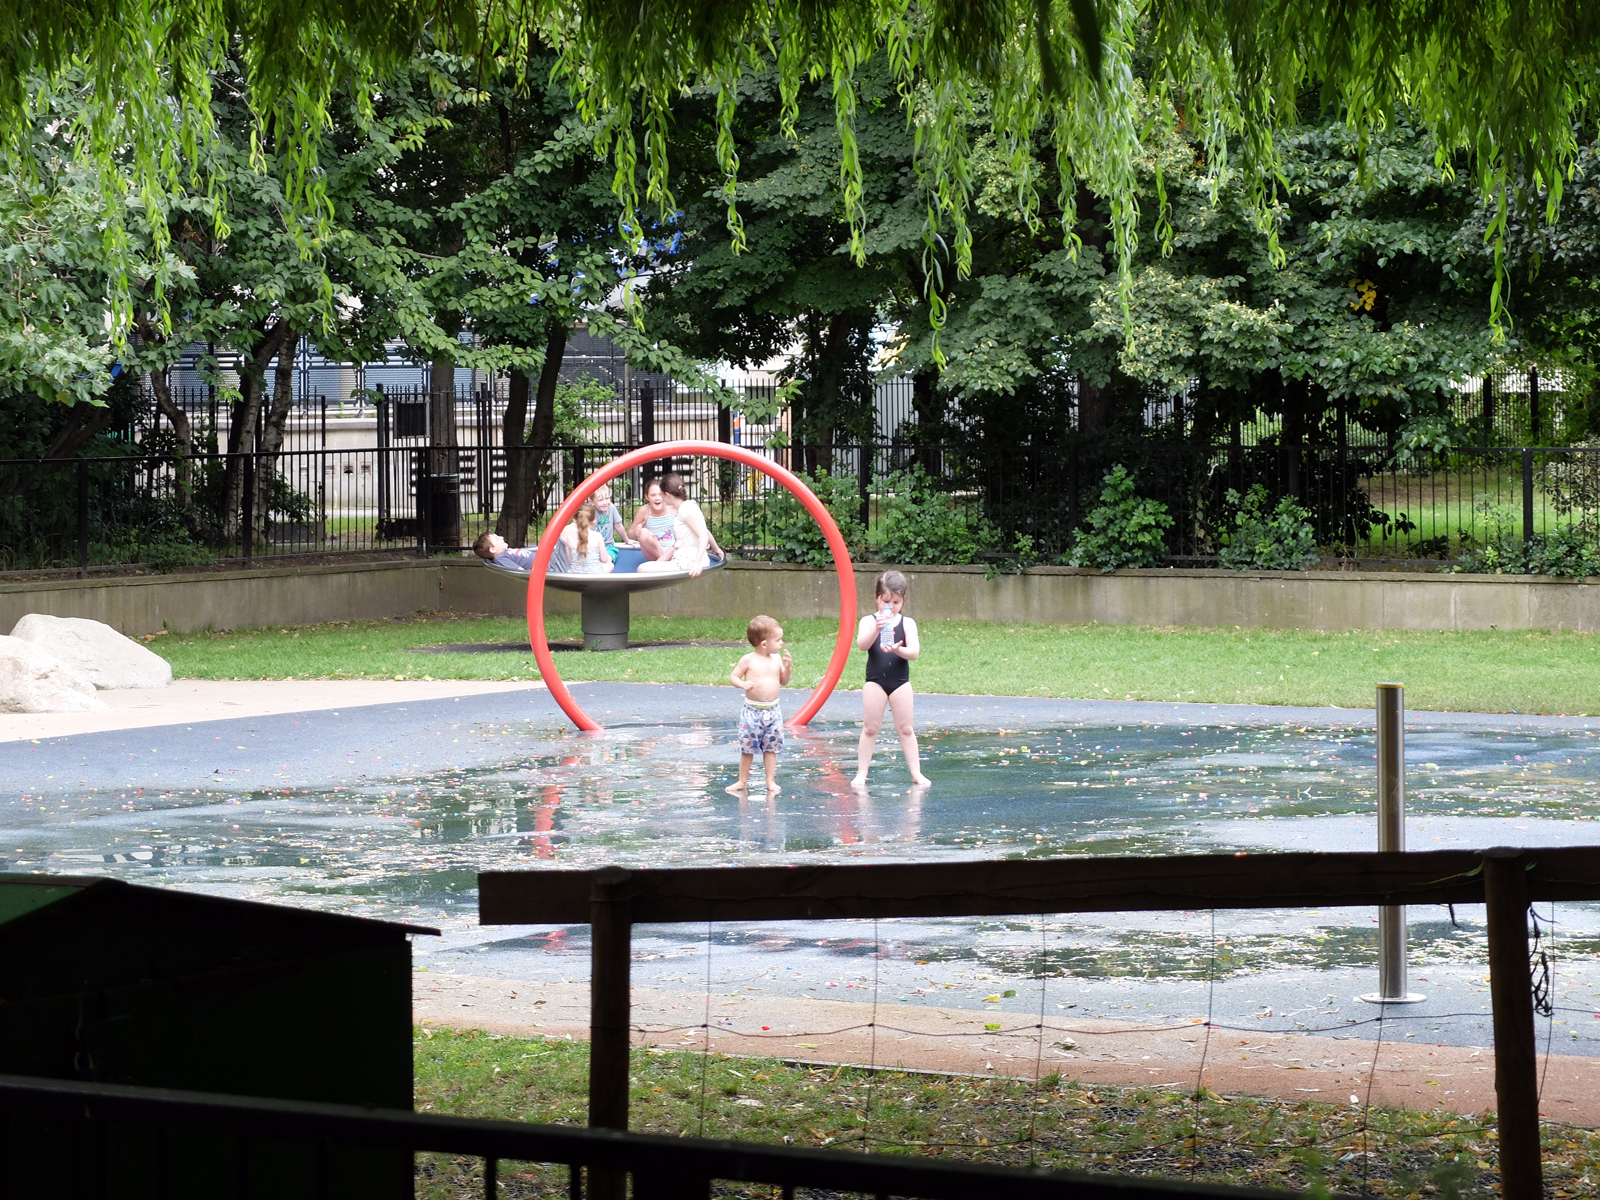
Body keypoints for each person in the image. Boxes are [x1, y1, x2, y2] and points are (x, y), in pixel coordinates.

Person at [851, 570, 931, 788]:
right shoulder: (869, 621)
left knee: (906, 728)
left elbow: (914, 652)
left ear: (903, 600)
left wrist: (898, 650)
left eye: (896, 601)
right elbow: (862, 645)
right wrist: (876, 629)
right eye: (886, 601)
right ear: (876, 598)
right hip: (875, 681)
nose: (891, 606)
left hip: (900, 682)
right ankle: (862, 772)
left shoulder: (907, 623)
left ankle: (916, 772)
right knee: (870, 728)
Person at [726, 614, 792, 795]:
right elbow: (733, 676)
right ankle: (742, 780)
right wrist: (742, 684)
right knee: (747, 748)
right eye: (778, 640)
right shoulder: (748, 660)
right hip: (752, 711)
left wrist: (787, 668)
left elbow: (784, 681)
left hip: (773, 711)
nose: (781, 643)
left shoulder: (776, 659)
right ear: (764, 644)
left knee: (770, 748)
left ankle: (770, 780)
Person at [637, 472, 718, 575]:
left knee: (642, 569)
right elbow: (705, 531)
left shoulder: (684, 510)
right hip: (685, 558)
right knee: (648, 567)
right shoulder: (690, 505)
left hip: (688, 561)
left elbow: (703, 534)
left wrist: (697, 563)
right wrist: (717, 549)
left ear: (667, 495)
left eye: (661, 495)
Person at [472, 530, 570, 572]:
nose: (501, 537)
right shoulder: (501, 558)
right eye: (497, 539)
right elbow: (521, 571)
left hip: (552, 559)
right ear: (492, 549)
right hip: (551, 566)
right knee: (567, 532)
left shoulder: (505, 553)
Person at [628, 478, 678, 562]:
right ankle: (664, 560)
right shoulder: (644, 511)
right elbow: (631, 535)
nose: (657, 498)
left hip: (672, 551)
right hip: (653, 554)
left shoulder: (673, 509)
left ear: (666, 495)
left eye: (660, 494)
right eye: (653, 495)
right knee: (643, 533)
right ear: (647, 497)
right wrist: (637, 531)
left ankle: (663, 560)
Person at [559, 503, 614, 574]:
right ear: (594, 521)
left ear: (575, 520)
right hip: (595, 573)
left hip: (575, 573)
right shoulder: (597, 536)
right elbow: (604, 559)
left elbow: (570, 562)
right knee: (610, 565)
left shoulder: (569, 538)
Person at [590, 484, 629, 560]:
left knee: (607, 559)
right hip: (592, 547)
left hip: (608, 546)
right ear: (592, 502)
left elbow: (618, 525)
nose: (605, 502)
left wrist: (627, 540)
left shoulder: (611, 507)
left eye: (607, 498)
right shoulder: (589, 511)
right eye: (600, 500)